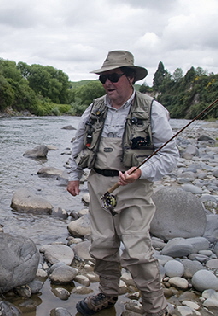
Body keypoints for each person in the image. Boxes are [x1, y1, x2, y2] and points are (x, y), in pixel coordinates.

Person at [66, 51, 179, 316]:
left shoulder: (153, 109)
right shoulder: (94, 107)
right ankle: (108, 293)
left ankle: (156, 308)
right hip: (98, 186)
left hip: (135, 189)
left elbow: (169, 155)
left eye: (113, 77)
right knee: (102, 245)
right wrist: (73, 175)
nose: (107, 83)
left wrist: (142, 171)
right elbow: (78, 143)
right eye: (104, 78)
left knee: (137, 250)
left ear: (130, 78)